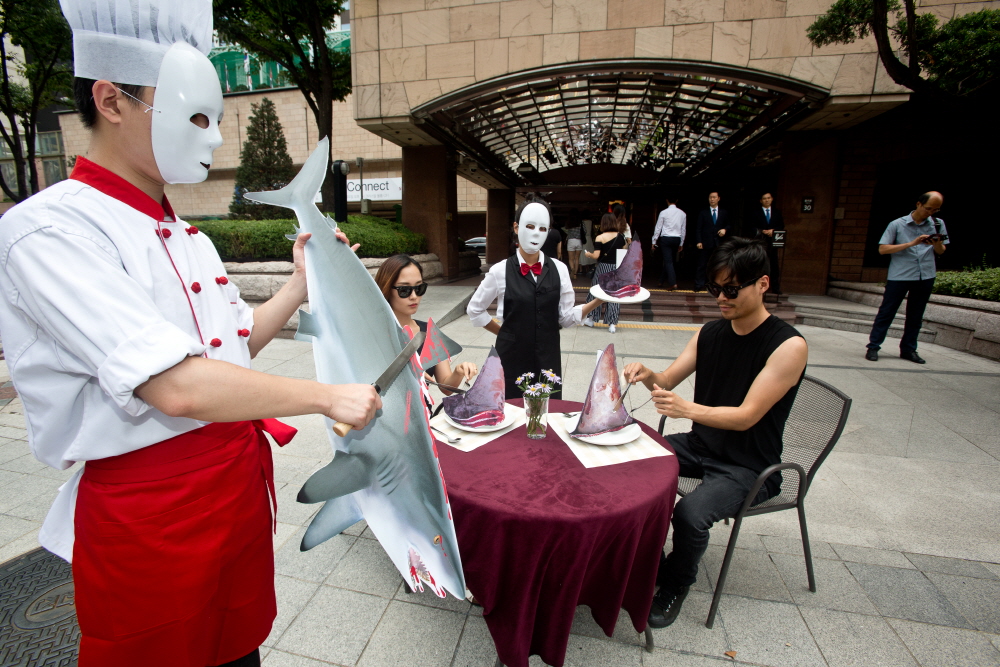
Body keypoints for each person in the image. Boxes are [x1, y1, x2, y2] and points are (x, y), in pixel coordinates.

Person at [0, 3, 380, 665]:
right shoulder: (50, 231)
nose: (211, 141)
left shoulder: (188, 237)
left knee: (239, 652)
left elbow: (234, 346)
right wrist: (324, 395)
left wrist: (298, 284)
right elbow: (176, 385)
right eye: (196, 118)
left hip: (230, 497)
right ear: (110, 101)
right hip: (151, 516)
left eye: (217, 121)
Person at [623, 238, 808, 629]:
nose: (721, 298)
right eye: (715, 288)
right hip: (700, 444)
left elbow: (747, 416)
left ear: (762, 284)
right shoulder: (710, 332)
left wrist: (686, 409)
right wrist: (647, 374)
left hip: (750, 464)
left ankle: (675, 584)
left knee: (690, 514)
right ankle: (649, 566)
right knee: (626, 462)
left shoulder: (788, 345)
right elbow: (669, 378)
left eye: (730, 289)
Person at [467, 196, 604, 399]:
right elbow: (475, 310)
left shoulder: (559, 269)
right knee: (511, 413)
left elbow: (565, 318)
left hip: (547, 358)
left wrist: (598, 300)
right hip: (511, 357)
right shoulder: (500, 270)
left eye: (542, 229)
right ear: (516, 227)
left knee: (546, 416)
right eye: (530, 226)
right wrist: (503, 333)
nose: (535, 233)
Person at [865, 191, 948, 364]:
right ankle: (873, 346)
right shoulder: (897, 224)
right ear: (918, 204)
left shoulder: (938, 224)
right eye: (928, 208)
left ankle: (909, 349)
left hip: (925, 275)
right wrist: (912, 243)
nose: (930, 213)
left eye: (935, 210)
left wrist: (936, 243)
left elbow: (941, 251)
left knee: (916, 315)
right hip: (900, 275)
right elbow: (883, 249)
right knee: (887, 312)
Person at [375, 254, 478, 391]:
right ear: (387, 289)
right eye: (404, 290)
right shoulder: (373, 333)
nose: (414, 296)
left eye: (419, 288)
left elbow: (446, 387)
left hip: (422, 412)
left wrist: (458, 372)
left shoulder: (429, 331)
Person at [583, 213, 628, 333]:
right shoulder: (621, 237)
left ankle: (591, 319)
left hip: (603, 268)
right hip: (616, 269)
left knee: (596, 292)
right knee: (614, 295)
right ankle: (612, 324)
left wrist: (588, 254)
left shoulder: (600, 237)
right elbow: (624, 254)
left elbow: (596, 255)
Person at [694, 192, 730, 291]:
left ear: (718, 198)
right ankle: (699, 285)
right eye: (710, 197)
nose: (712, 199)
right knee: (702, 264)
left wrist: (725, 230)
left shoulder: (724, 212)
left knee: (717, 265)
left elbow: (729, 225)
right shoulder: (703, 212)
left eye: (714, 197)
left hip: (718, 243)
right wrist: (699, 241)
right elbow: (698, 228)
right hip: (705, 243)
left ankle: (715, 285)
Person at [750, 192, 785, 294]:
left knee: (774, 265)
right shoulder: (756, 213)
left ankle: (775, 288)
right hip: (760, 242)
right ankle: (756, 287)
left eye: (768, 198)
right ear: (761, 201)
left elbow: (781, 226)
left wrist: (773, 230)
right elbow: (751, 227)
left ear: (772, 199)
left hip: (773, 243)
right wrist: (762, 231)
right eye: (764, 198)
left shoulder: (777, 213)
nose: (766, 200)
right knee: (759, 264)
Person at [652, 195, 686, 289]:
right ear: (677, 200)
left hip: (666, 239)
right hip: (676, 238)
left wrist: (654, 241)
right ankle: (661, 280)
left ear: (667, 200)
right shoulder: (682, 214)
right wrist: (681, 243)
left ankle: (672, 283)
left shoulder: (663, 213)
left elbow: (658, 227)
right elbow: (683, 230)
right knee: (670, 261)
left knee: (668, 261)